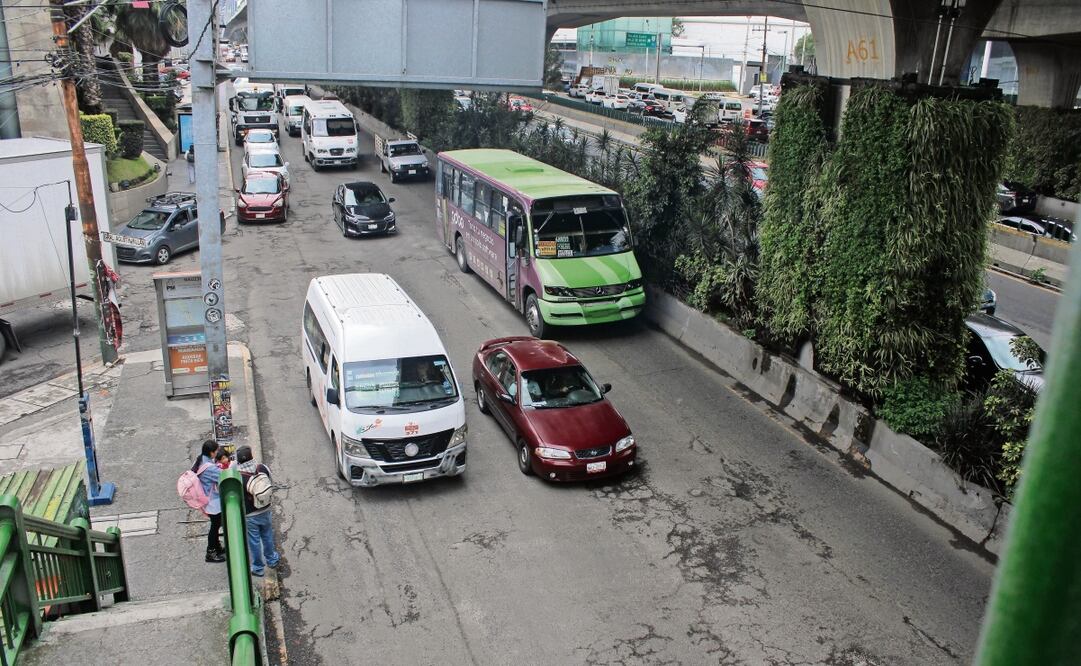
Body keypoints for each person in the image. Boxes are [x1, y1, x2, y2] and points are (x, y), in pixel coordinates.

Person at [236, 445, 280, 577]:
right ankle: (272, 560)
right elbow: (271, 483)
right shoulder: (262, 468)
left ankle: (258, 568)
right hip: (265, 509)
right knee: (267, 534)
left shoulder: (239, 477)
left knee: (254, 540)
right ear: (252, 457)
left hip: (250, 514)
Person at [194, 440, 226, 563]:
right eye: (216, 451)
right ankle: (211, 551)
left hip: (208, 498)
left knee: (216, 525)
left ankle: (216, 547)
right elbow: (223, 475)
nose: (217, 453)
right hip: (212, 502)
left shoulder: (201, 459)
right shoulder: (209, 468)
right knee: (215, 526)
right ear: (211, 453)